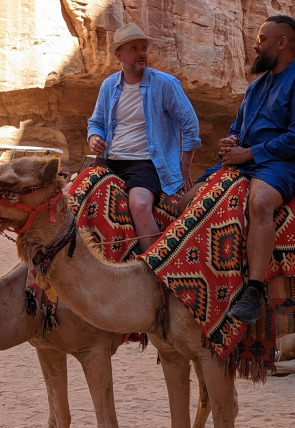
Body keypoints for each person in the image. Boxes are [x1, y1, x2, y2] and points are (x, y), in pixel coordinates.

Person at [179, 15, 295, 325]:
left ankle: (254, 292)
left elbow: (294, 137)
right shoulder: (257, 87)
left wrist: (249, 153)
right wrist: (230, 142)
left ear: (282, 43)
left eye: (263, 39)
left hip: (280, 163)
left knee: (260, 203)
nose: (256, 46)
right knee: (187, 200)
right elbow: (237, 127)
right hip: (245, 160)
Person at [87, 22, 201, 252]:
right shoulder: (109, 85)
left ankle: (154, 267)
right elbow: (95, 123)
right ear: (119, 55)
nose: (142, 53)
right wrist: (94, 138)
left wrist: (185, 163)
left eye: (144, 48)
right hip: (110, 161)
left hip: (146, 163)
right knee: (74, 197)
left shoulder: (165, 84)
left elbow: (190, 123)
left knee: (139, 205)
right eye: (134, 49)